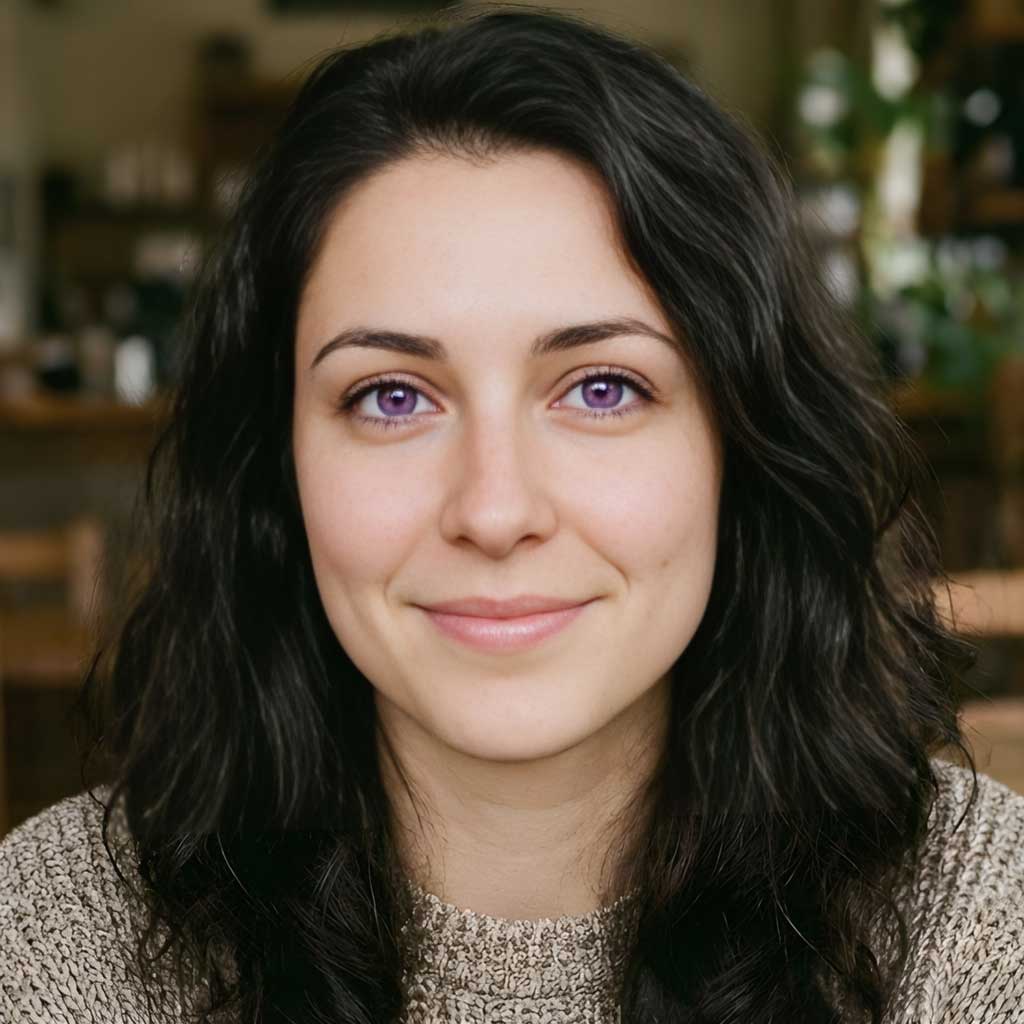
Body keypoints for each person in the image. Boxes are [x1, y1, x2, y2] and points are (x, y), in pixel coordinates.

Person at [2, 5, 1023, 1023]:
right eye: (391, 396)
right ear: (279, 467)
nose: (494, 510)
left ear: (742, 446)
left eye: (602, 388)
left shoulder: (975, 932)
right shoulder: (59, 945)